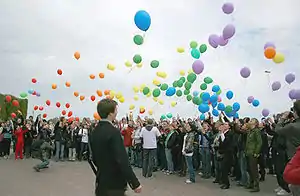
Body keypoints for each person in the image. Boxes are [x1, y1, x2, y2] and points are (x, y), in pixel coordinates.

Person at [90, 98, 141, 196]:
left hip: (101, 180)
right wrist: (134, 183)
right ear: (110, 113)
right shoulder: (113, 132)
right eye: (116, 110)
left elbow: (94, 157)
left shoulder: (94, 131)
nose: (117, 112)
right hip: (115, 183)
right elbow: (122, 159)